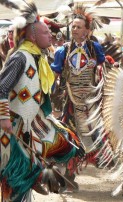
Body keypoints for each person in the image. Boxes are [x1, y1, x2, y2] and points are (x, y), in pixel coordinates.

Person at [0, 2, 81, 200]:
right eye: (46, 33)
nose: (51, 36)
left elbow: (37, 92)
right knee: (17, 174)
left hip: (30, 123)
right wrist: (3, 118)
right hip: (13, 124)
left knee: (64, 144)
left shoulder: (37, 57)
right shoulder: (21, 57)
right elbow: (2, 87)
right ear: (33, 36)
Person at [50, 3, 109, 191]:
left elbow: (104, 66)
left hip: (91, 99)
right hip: (70, 100)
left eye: (78, 27)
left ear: (87, 31)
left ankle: (101, 156)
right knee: (70, 134)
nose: (74, 30)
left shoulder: (95, 48)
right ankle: (68, 174)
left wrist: (100, 71)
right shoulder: (62, 51)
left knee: (94, 131)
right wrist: (47, 93)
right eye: (73, 27)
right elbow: (55, 75)